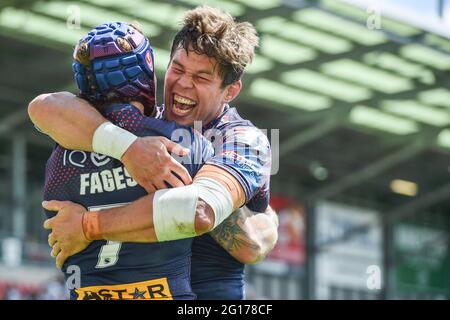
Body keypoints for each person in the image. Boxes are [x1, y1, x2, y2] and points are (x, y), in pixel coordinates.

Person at [29, 6, 278, 299]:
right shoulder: (146, 126)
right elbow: (44, 108)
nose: (183, 83)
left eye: (201, 77)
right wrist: (129, 149)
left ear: (230, 91)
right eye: (178, 68)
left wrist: (86, 225)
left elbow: (203, 214)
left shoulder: (241, 140)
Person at [40, 21, 215, 300]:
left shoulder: (59, 160)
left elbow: (46, 106)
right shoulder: (186, 145)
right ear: (145, 70)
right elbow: (210, 217)